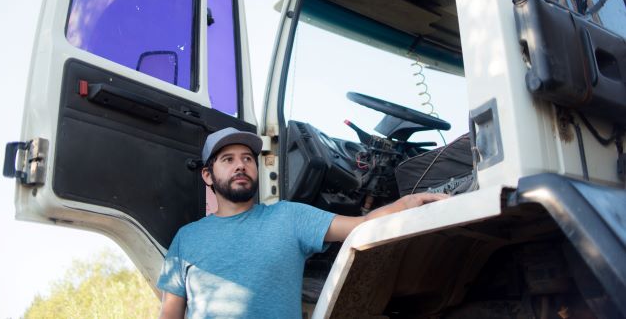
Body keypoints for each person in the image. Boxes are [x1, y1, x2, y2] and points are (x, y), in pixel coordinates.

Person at [158, 127, 448, 319]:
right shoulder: (187, 238)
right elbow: (170, 314)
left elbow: (362, 224)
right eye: (228, 159)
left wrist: (406, 204)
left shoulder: (289, 217)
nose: (240, 165)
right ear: (208, 175)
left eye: (248, 158)